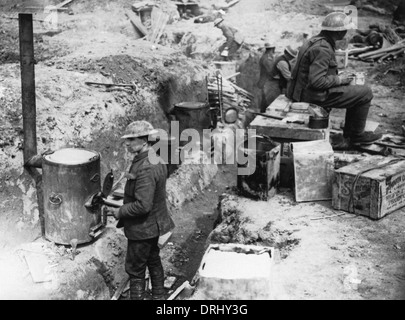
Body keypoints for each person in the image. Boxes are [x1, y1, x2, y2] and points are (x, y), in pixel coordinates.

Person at [286, 11, 382, 148]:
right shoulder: (323, 48)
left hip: (303, 92)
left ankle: (350, 133)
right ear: (338, 32)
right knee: (365, 93)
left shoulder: (314, 41)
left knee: (356, 91)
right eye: (345, 30)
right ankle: (356, 135)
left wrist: (338, 75)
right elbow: (317, 81)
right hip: (313, 96)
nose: (346, 32)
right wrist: (340, 79)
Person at [113, 120, 175, 300]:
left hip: (143, 228)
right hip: (153, 225)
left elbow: (143, 205)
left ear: (145, 141)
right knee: (152, 258)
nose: (127, 143)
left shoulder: (146, 167)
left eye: (131, 140)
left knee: (135, 268)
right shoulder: (153, 158)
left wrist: (121, 211)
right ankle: (159, 296)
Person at [257, 42, 276, 112]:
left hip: (264, 80)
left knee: (264, 100)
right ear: (272, 49)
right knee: (267, 100)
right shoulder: (267, 58)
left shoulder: (266, 56)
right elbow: (271, 70)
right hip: (266, 81)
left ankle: (262, 112)